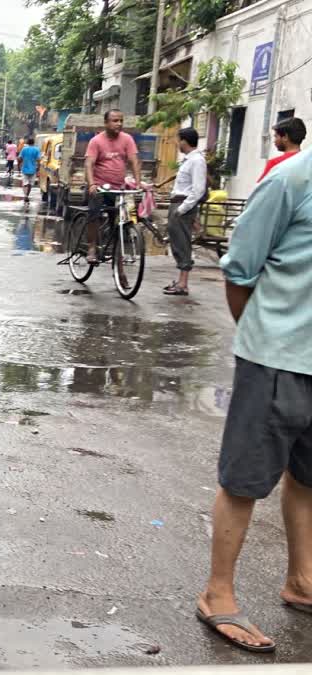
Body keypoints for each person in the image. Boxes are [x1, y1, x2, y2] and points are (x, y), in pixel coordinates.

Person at [196, 148, 312, 655]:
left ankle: (303, 580)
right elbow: (239, 270)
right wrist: (264, 340)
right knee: (244, 480)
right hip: (276, 357)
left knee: (308, 478)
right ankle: (217, 591)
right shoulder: (290, 180)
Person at [83, 109, 141, 263]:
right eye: (115, 121)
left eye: (121, 120)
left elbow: (134, 161)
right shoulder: (96, 141)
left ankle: (118, 262)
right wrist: (92, 184)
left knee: (121, 221)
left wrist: (138, 183)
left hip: (118, 188)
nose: (119, 124)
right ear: (106, 123)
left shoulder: (127, 139)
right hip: (100, 187)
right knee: (94, 213)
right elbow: (89, 164)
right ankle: (92, 248)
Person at [163, 128, 207, 296]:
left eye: (178, 140)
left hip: (183, 205)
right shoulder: (188, 160)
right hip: (178, 202)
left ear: (184, 141)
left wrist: (182, 209)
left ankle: (183, 283)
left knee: (182, 242)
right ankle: (181, 281)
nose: (177, 143)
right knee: (176, 241)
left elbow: (198, 190)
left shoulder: (197, 161)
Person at [257, 117, 305, 182]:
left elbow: (260, 190)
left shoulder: (275, 163)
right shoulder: (308, 162)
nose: (274, 141)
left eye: (276, 136)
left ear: (285, 137)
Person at [18, 136, 41, 202]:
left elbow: (20, 158)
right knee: (30, 184)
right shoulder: (37, 149)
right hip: (33, 169)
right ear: (34, 142)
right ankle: (27, 195)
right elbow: (39, 160)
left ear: (27, 142)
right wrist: (38, 168)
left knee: (25, 183)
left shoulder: (24, 149)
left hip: (24, 168)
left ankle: (25, 195)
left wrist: (19, 165)